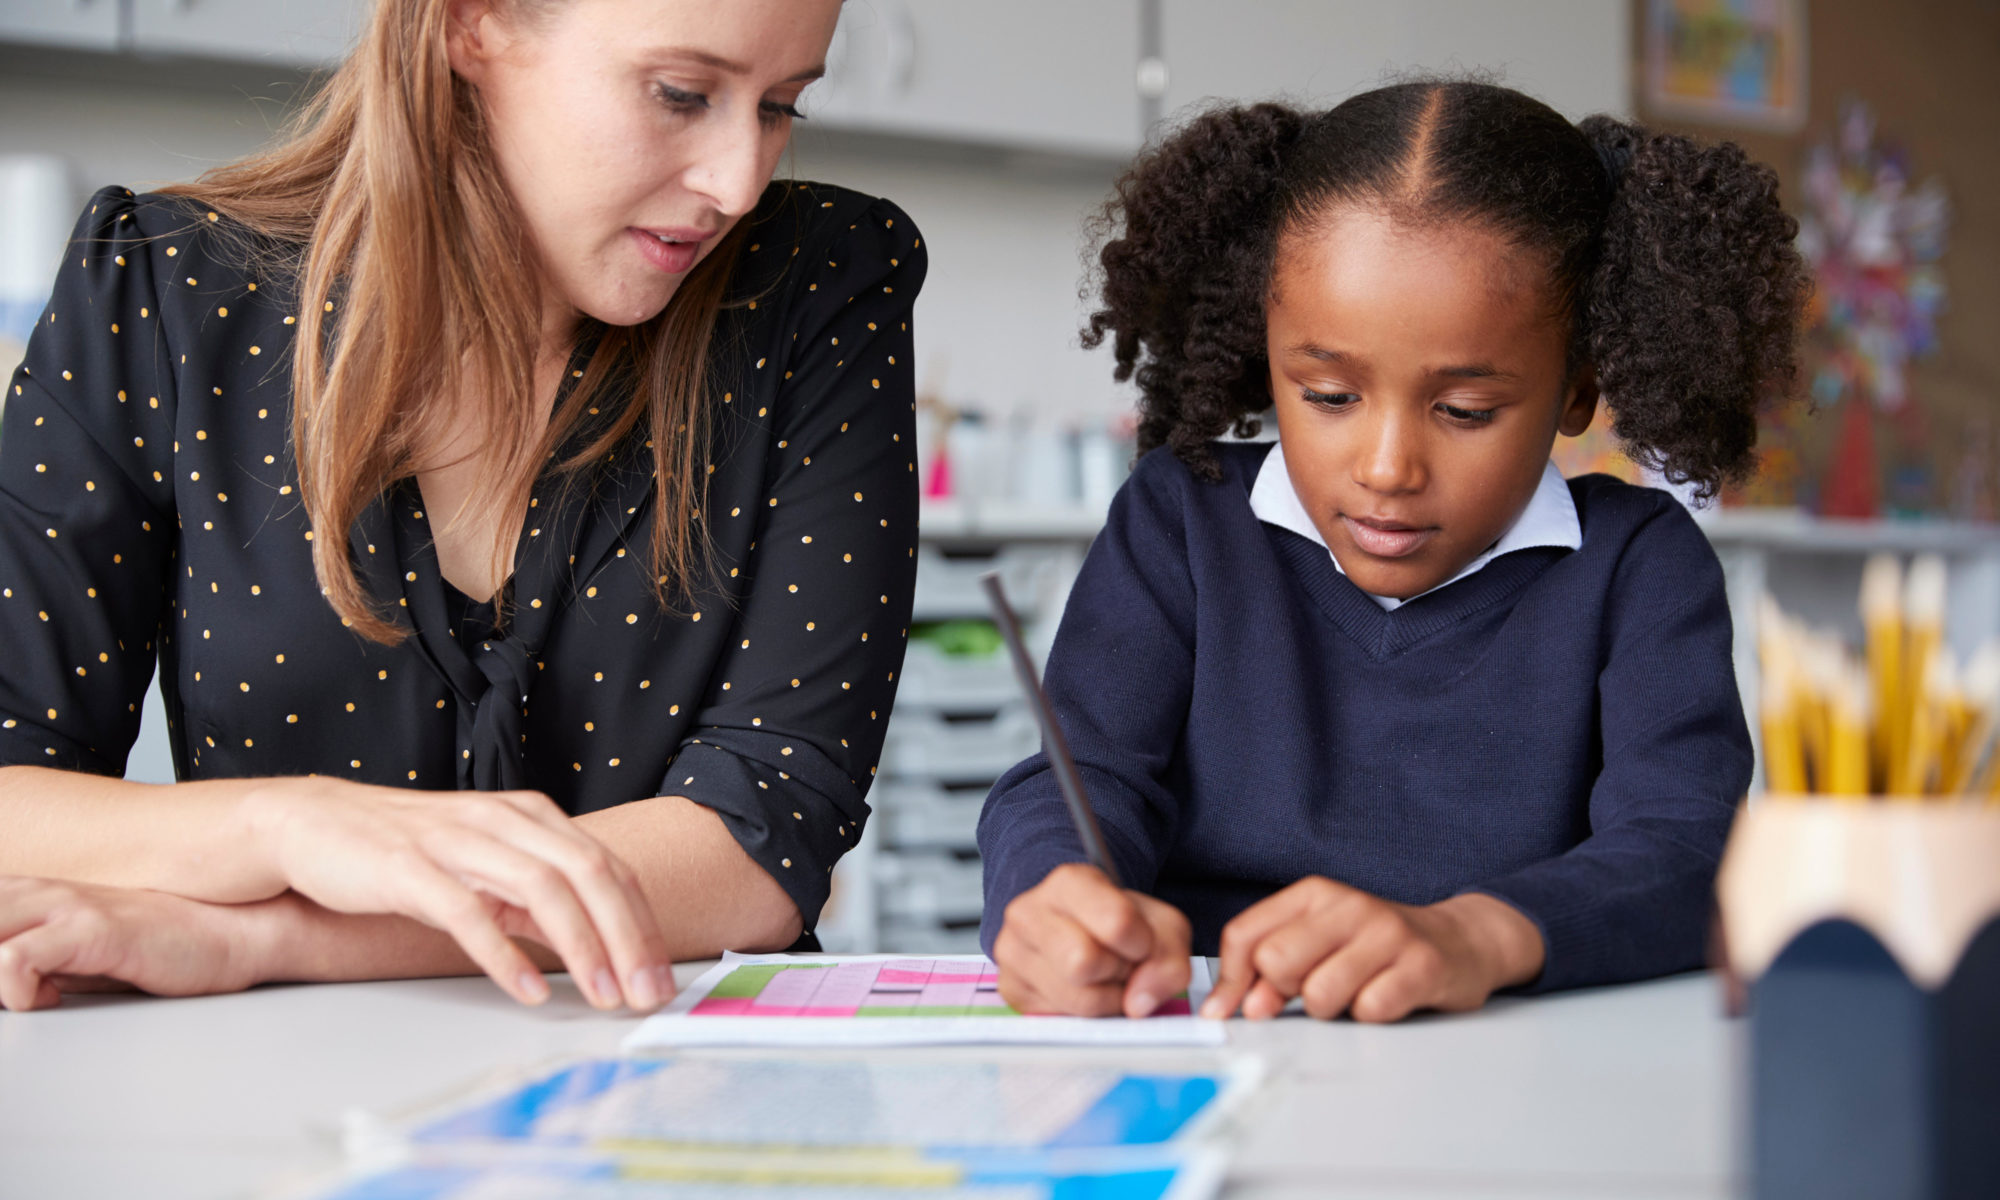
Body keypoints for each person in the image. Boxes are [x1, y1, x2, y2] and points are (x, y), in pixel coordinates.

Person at [0, 0, 925, 1013]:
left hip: (677, 1085)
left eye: (781, 106)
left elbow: (761, 834)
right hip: (275, 1088)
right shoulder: (160, 289)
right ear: (471, 27)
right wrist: (286, 827)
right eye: (682, 95)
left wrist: (261, 932)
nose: (738, 181)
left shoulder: (816, 285)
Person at [978, 81, 1808, 1024]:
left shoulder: (1638, 567)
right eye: (1329, 395)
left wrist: (1472, 937)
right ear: (1267, 353)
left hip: (1510, 1070)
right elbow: (1080, 780)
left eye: (1464, 412)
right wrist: (1052, 897)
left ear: (1576, 392)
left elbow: (1688, 850)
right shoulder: (1182, 520)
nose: (1386, 469)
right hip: (1209, 1040)